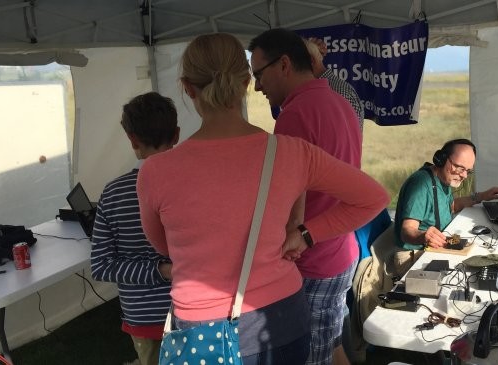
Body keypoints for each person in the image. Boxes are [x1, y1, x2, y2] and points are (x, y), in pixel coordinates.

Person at [136, 33, 389, 365]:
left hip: (201, 326)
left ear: (187, 87)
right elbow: (374, 198)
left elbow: (163, 246)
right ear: (244, 83)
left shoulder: (155, 171)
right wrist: (306, 234)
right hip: (283, 318)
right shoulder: (288, 151)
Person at [248, 28, 365, 365]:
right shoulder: (339, 101)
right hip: (339, 247)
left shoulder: (295, 116)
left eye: (259, 74)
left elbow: (289, 203)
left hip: (313, 256)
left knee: (313, 357)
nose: (257, 87)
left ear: (284, 64)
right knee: (331, 345)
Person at [90, 92, 179, 365]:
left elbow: (101, 265)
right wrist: (162, 270)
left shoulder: (113, 193)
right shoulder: (194, 183)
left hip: (142, 316)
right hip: (193, 308)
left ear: (132, 139)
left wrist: (157, 270)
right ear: (176, 135)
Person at [393, 138, 498, 275]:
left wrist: (481, 196)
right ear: (441, 159)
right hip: (413, 256)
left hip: (432, 249)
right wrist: (423, 236)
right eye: (460, 168)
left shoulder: (443, 179)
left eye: (468, 171)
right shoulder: (421, 185)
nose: (464, 175)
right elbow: (406, 231)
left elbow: (450, 206)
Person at [304, 37, 365, 130]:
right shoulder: (332, 89)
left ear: (311, 61)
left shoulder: (337, 91)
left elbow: (345, 138)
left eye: (297, 64)